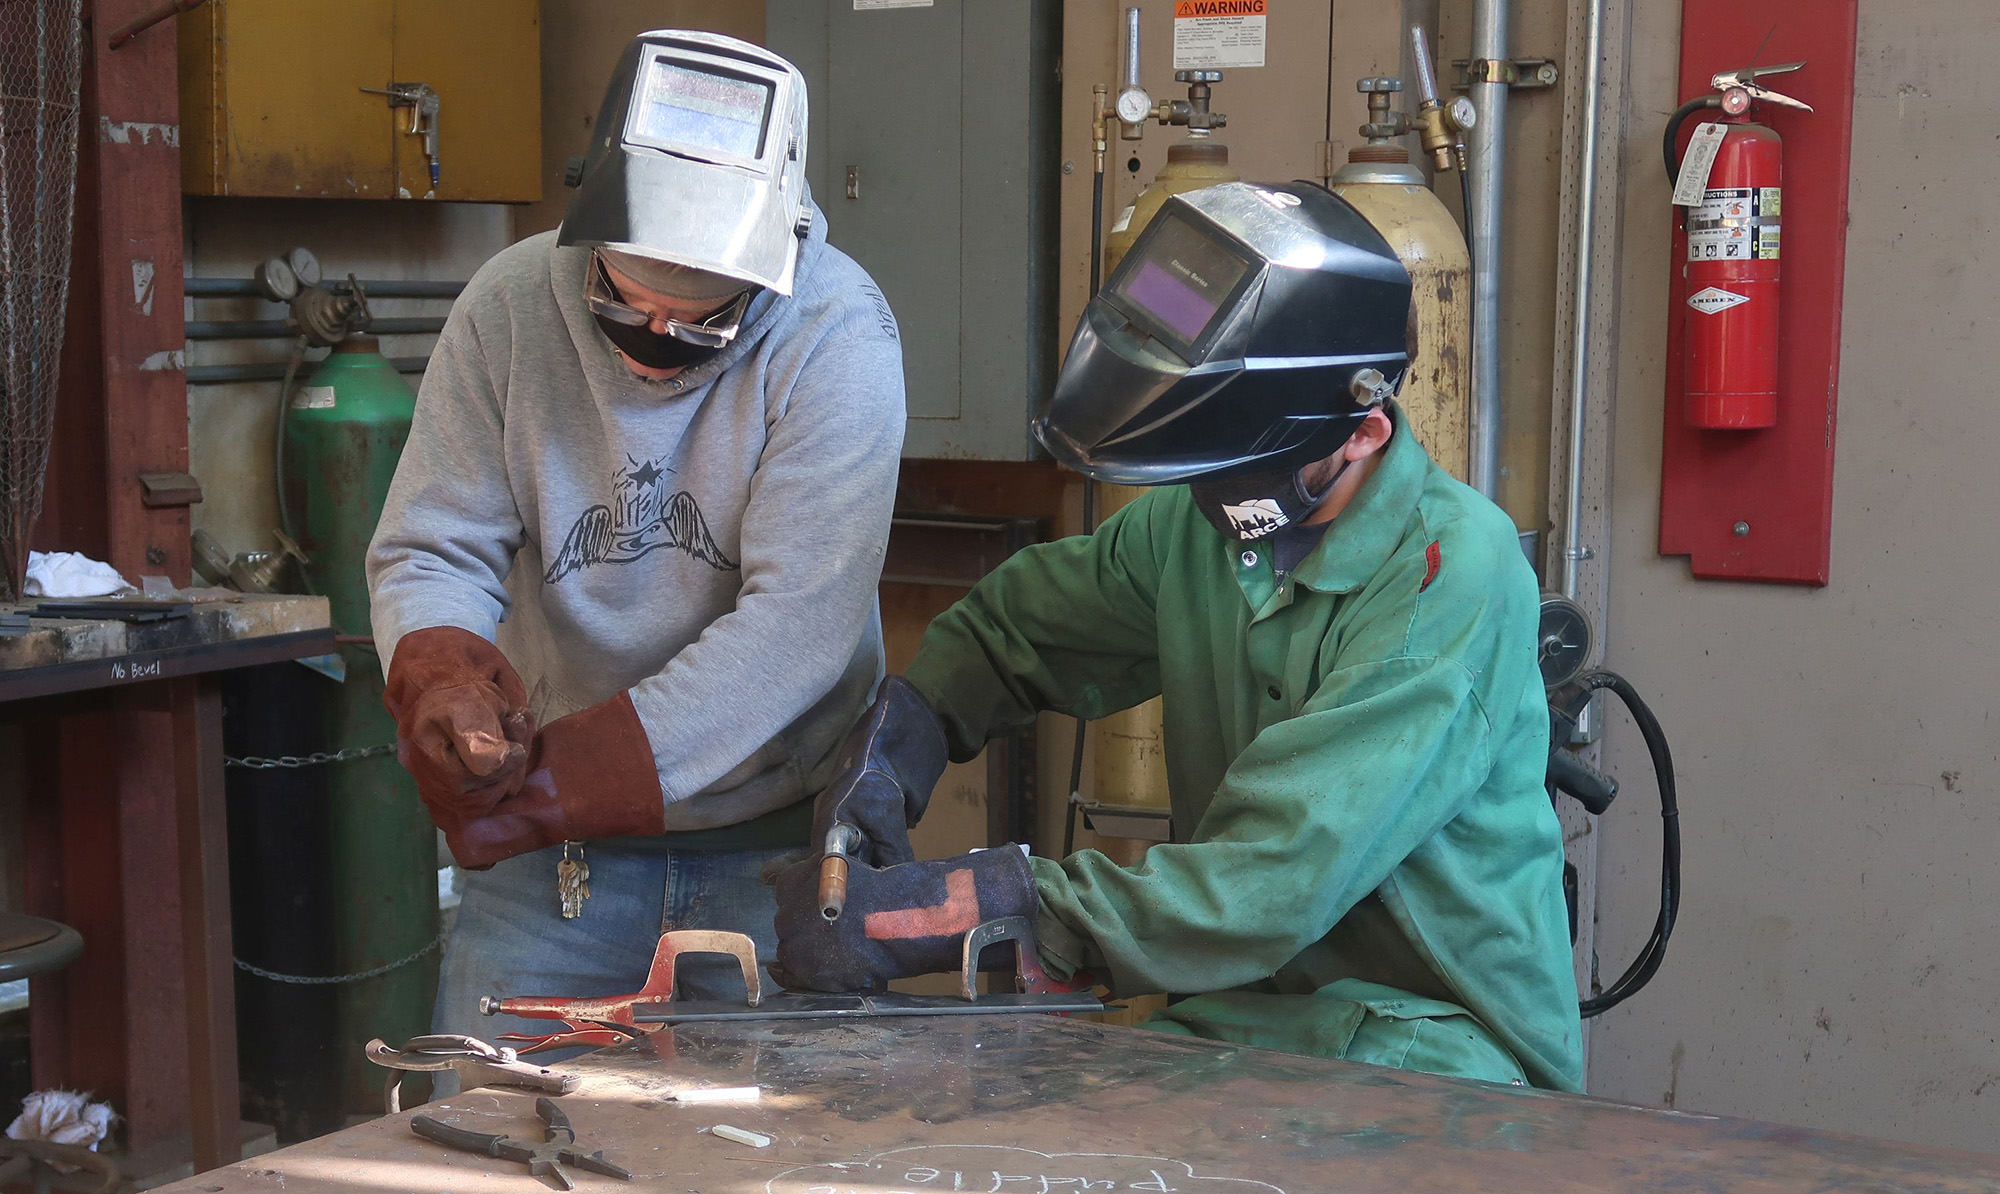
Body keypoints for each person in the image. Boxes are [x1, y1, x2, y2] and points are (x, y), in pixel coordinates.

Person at [771, 181, 1581, 1090]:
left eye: (1236, 472)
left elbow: (1270, 879)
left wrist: (968, 905)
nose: (1211, 501)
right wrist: (897, 740)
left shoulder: (1449, 574)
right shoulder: (1214, 524)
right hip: (1251, 1010)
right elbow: (1024, 627)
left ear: (1363, 431)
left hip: (1446, 1044)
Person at [366, 31, 905, 1042]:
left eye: (696, 324)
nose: (653, 341)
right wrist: (440, 672)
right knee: (489, 1145)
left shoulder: (840, 334)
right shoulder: (509, 305)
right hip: (550, 877)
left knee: (759, 1184)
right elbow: (435, 545)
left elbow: (797, 627)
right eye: (624, 301)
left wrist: (562, 779)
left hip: (773, 855)